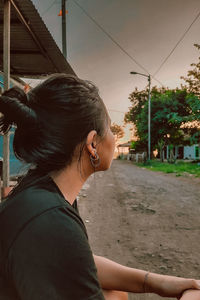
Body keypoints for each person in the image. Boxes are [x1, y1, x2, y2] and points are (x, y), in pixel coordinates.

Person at [0, 74, 199, 300]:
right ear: (93, 143)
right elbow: (63, 251)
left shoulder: (41, 195)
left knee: (116, 294)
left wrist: (155, 282)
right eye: (111, 129)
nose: (114, 138)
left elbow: (74, 260)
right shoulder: (48, 220)